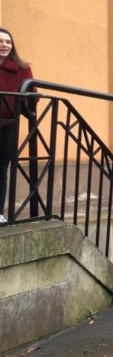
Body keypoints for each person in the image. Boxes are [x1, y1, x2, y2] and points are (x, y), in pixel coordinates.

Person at [0, 27, 34, 225]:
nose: (4, 45)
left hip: (8, 125)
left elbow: (31, 95)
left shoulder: (22, 68)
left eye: (8, 42)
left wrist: (31, 104)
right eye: (0, 42)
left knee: (1, 170)